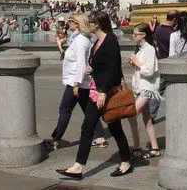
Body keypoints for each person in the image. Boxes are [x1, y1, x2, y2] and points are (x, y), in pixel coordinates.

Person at [56, 11, 132, 180]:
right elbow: (99, 64)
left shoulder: (110, 41)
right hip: (96, 90)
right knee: (88, 126)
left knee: (115, 127)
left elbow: (113, 69)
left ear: (97, 24)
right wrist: (91, 68)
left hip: (107, 92)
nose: (88, 24)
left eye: (90, 22)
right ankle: (78, 166)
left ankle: (126, 161)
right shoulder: (97, 41)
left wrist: (104, 92)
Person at [45, 13, 107, 150]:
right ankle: (100, 137)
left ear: (77, 24)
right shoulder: (81, 39)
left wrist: (76, 84)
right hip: (81, 80)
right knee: (88, 110)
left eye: (71, 21)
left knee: (65, 109)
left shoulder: (80, 40)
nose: (68, 23)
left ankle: (55, 139)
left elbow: (80, 64)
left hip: (76, 81)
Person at [127, 22, 162, 160]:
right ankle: (155, 148)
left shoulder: (149, 49)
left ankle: (136, 147)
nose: (133, 36)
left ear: (143, 35)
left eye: (135, 34)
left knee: (131, 115)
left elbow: (149, 71)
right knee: (146, 119)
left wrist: (136, 62)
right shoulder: (141, 49)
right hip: (141, 88)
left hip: (147, 89)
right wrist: (134, 63)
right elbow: (142, 68)